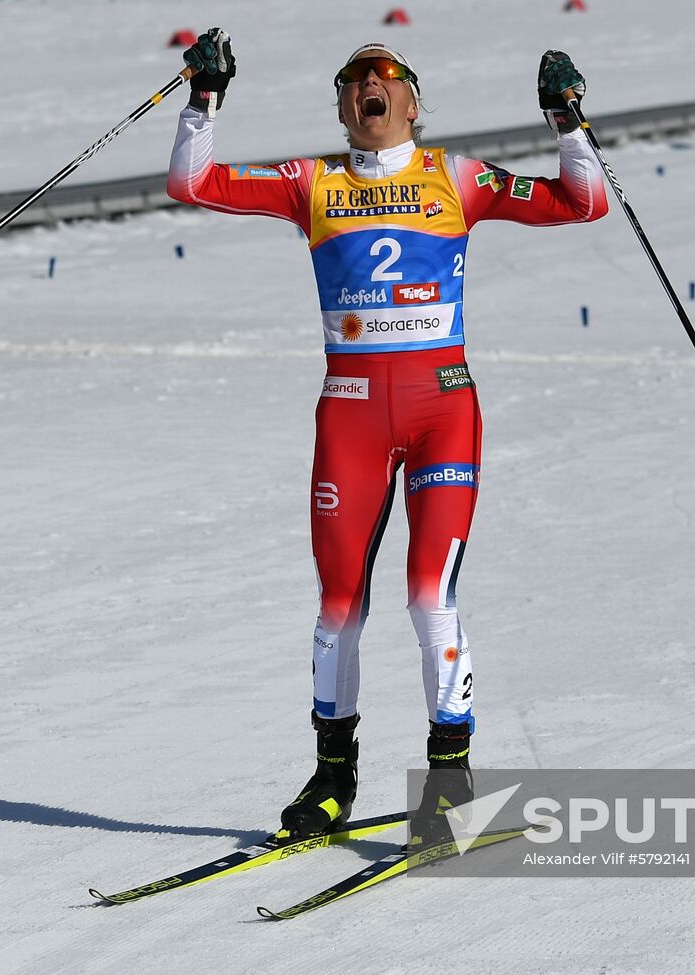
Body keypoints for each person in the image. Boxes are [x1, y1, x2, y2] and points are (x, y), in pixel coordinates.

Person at [166, 30, 608, 840]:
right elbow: (191, 181)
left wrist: (565, 120)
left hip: (443, 408)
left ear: (412, 101)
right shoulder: (312, 181)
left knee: (428, 595)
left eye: (388, 76)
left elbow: (585, 202)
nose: (371, 83)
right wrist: (203, 99)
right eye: (354, 80)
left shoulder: (457, 178)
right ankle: (333, 776)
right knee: (339, 605)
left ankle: (450, 778)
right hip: (351, 412)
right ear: (342, 107)